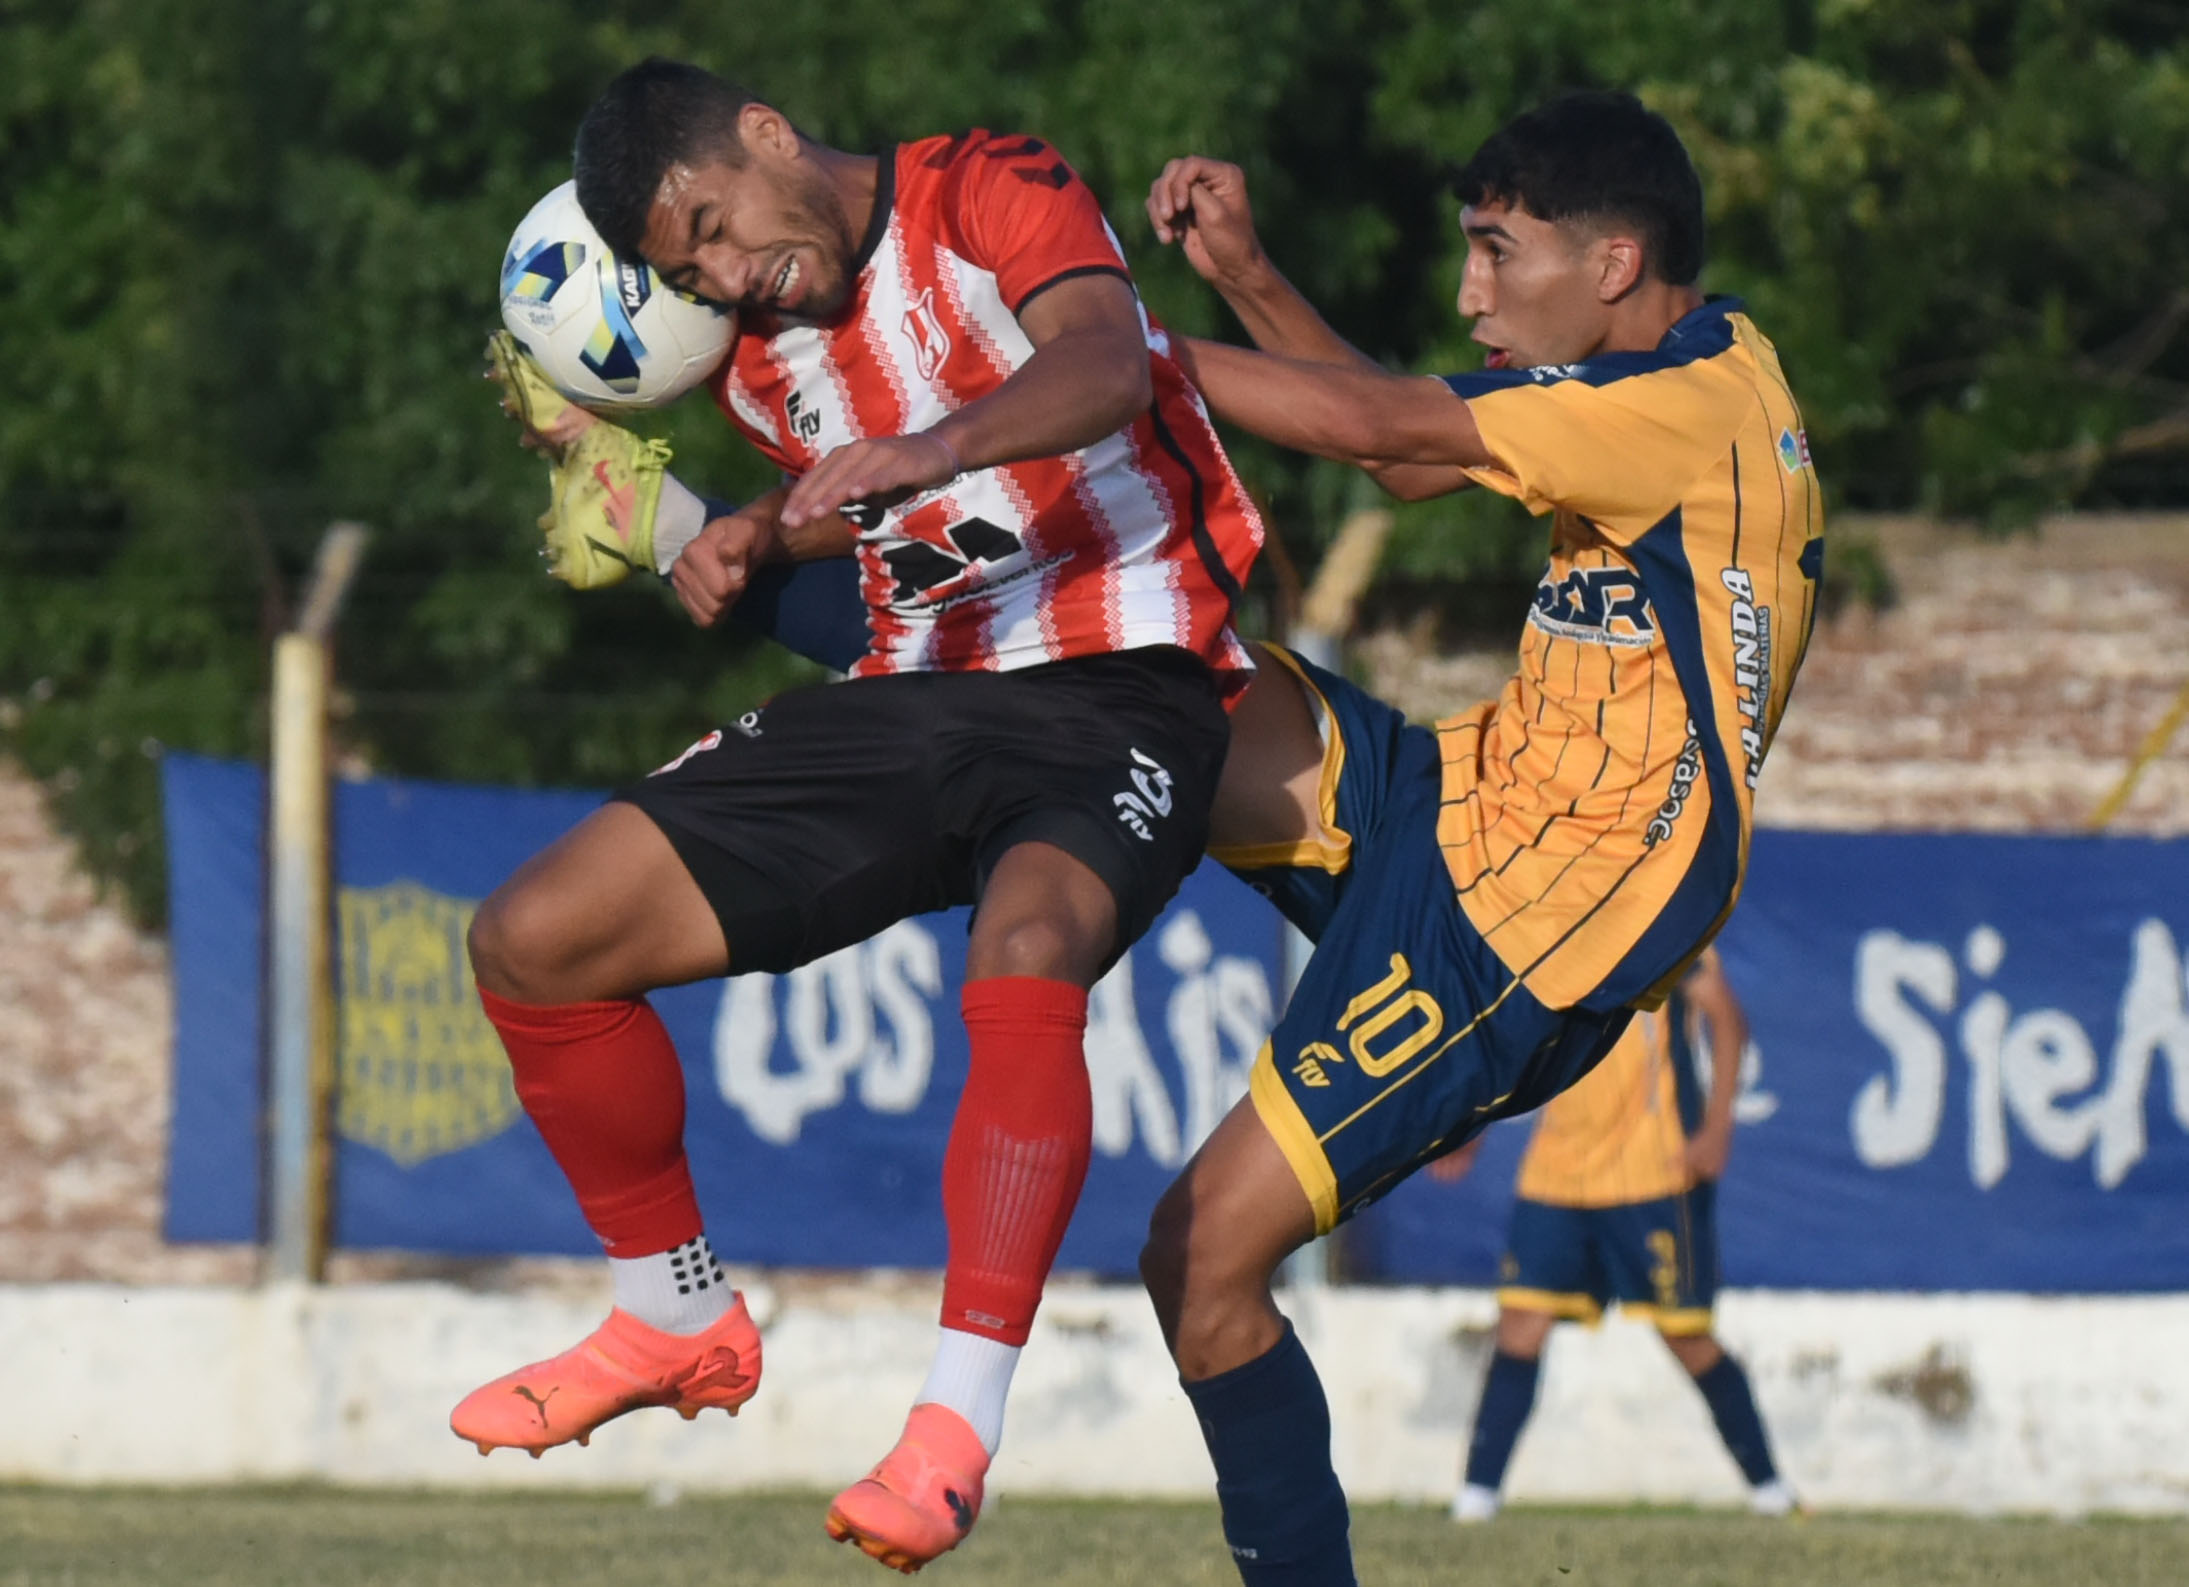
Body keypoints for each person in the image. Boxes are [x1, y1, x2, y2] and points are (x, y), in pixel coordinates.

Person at [456, 57, 1262, 1575]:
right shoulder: (757, 361)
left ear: (766, 135)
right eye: (683, 267)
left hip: (1122, 681)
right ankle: (673, 1312)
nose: (716, 274)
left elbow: (1105, 365)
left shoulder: (985, 185)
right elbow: (885, 585)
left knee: (1027, 942)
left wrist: (932, 443)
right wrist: (701, 536)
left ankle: (952, 1428)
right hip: (918, 696)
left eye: (710, 226)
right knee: (533, 936)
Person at [1126, 90, 1825, 1585]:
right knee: (1139, 674)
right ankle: (732, 552)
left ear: (1615, 261)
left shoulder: (1681, 409)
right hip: (1464, 803)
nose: (1470, 293)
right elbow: (1412, 456)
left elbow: (1384, 424)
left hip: (1537, 924)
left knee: (1197, 1256)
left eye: (1498, 253)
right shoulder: (1690, 363)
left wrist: (1114, 353)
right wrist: (1247, 276)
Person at [1434, 947, 1797, 1521]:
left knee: (1687, 1337)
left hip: (1654, 1169)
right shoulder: (1544, 924)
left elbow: (1726, 1017)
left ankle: (1771, 1492)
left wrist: (1718, 1124)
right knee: (1520, 1325)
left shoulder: (1669, 920)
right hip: (1557, 1170)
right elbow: (1506, 1033)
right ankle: (1475, 1501)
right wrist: (1469, 1122)